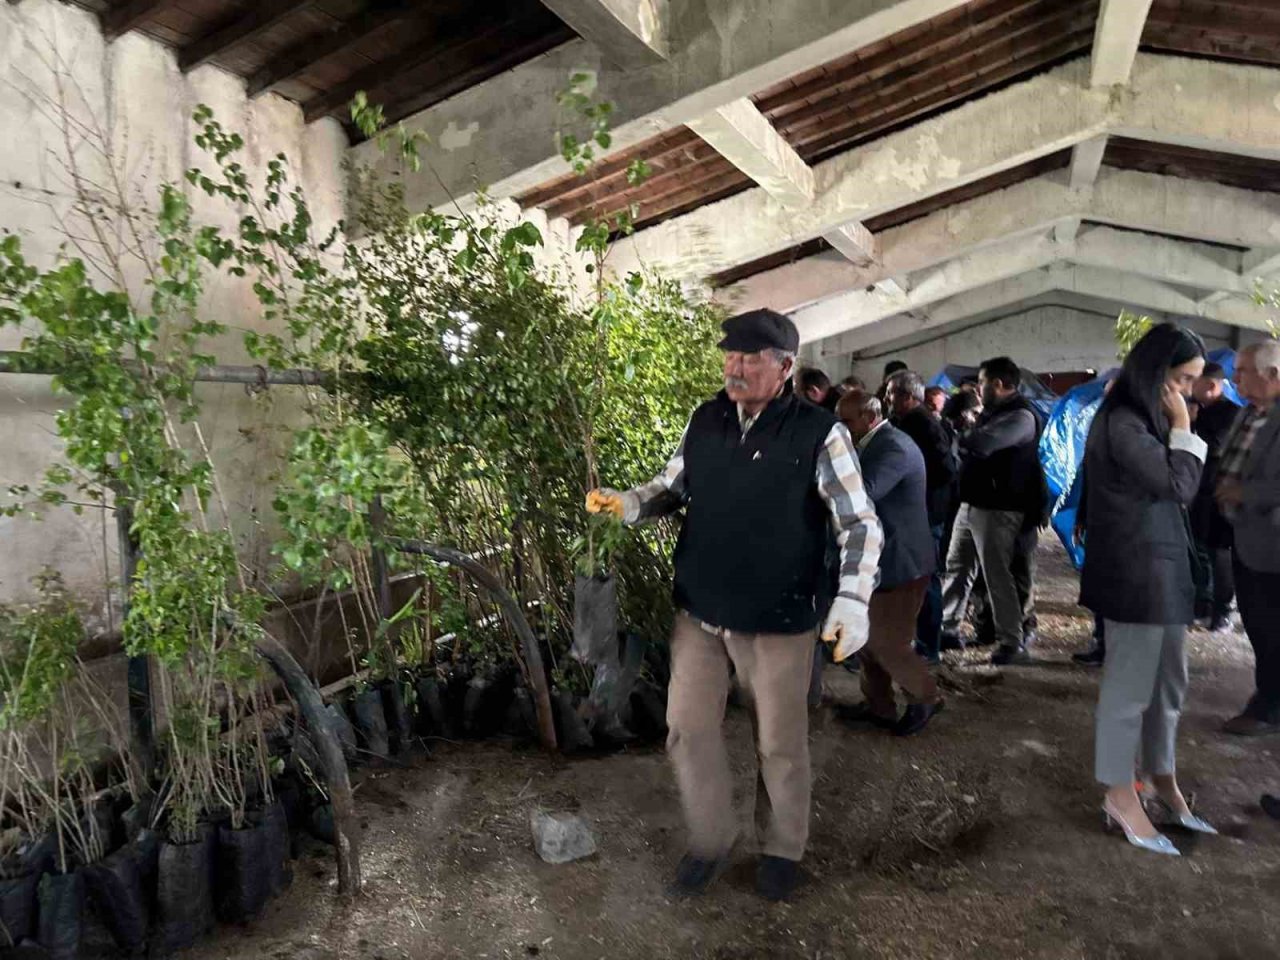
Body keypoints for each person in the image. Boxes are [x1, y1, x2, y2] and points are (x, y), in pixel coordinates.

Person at [585, 308, 882, 902]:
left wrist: (853, 598)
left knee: (778, 742)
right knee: (686, 729)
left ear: (785, 367)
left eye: (751, 358)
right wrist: (630, 503)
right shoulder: (706, 419)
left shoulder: (819, 434)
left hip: (778, 619)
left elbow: (860, 524)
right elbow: (673, 486)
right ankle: (711, 839)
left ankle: (780, 847)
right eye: (731, 355)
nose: (736, 367)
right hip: (701, 611)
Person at [1079, 322, 1215, 855]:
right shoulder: (1124, 422)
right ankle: (1118, 791)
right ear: (1156, 373)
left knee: (1168, 688)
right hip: (1137, 576)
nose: (1188, 391)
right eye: (1182, 379)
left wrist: (1178, 424)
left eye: (1192, 382)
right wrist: (1183, 425)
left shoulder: (1146, 420)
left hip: (1164, 572)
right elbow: (1179, 485)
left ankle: (1162, 777)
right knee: (1129, 690)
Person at [835, 391, 943, 736]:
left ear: (869, 417)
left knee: (886, 639)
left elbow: (865, 492)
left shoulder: (893, 446)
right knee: (865, 636)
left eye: (847, 420)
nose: (841, 427)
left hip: (902, 561)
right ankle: (879, 705)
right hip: (885, 556)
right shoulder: (874, 442)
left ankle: (925, 696)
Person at [940, 357, 1045, 666]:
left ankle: (1011, 642)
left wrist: (963, 436)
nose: (977, 388)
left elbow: (984, 443)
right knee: (957, 567)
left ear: (998, 385)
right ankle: (947, 628)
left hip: (1000, 509)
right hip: (973, 503)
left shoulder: (1021, 417)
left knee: (997, 574)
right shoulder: (994, 413)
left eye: (982, 383)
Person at [1218, 341, 1280, 736]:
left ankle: (1268, 708)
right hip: (1244, 536)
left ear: (1273, 375)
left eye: (1243, 371)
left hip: (1273, 542)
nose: (1234, 378)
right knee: (1258, 625)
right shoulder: (1247, 412)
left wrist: (1246, 494)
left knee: (1272, 629)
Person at [885, 371, 957, 664]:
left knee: (925, 579)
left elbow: (945, 470)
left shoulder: (922, 425)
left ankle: (929, 647)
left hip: (926, 515)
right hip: (920, 513)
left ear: (907, 396)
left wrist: (916, 493)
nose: (887, 398)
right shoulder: (909, 422)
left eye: (891, 393)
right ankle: (921, 642)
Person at [1190, 362, 1238, 632]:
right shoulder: (1200, 411)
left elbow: (1216, 448)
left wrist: (1195, 422)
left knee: (1221, 556)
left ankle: (1223, 610)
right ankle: (1202, 602)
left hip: (1220, 495)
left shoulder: (1232, 414)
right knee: (1200, 550)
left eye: (1195, 382)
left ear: (1211, 385)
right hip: (1198, 492)